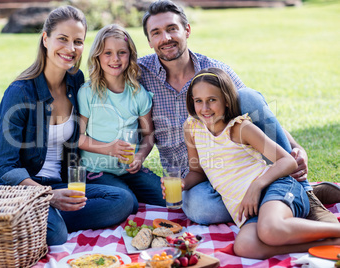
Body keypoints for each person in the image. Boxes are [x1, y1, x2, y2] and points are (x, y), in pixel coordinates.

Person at [138, 0, 339, 225]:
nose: (165, 38)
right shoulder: (140, 73)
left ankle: (303, 194)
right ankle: (283, 197)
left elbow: (256, 111)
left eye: (171, 29)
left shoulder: (214, 70)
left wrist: (296, 148)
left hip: (236, 163)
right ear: (149, 41)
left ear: (187, 30)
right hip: (193, 177)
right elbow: (110, 71)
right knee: (202, 210)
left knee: (246, 95)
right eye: (156, 33)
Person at [0, 6, 134, 246]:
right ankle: (42, 219)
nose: (71, 49)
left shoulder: (76, 81)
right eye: (62, 39)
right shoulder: (20, 93)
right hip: (22, 189)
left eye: (78, 41)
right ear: (45, 39)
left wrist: (111, 148)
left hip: (60, 181)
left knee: (124, 200)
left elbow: (79, 136)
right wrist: (48, 196)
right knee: (56, 234)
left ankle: (37, 221)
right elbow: (3, 167)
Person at [182, 67, 340, 259]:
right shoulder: (191, 128)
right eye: (198, 101)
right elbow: (197, 172)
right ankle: (329, 242)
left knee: (270, 229)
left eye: (212, 100)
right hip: (251, 210)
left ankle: (333, 228)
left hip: (275, 187)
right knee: (245, 247)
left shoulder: (240, 128)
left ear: (226, 100)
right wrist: (182, 184)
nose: (204, 108)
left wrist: (256, 186)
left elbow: (287, 161)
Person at [78, 24, 165, 214]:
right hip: (95, 170)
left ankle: (124, 189)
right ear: (97, 57)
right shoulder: (88, 93)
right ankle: (117, 193)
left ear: (130, 56)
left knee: (168, 197)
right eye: (107, 53)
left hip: (128, 170)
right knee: (128, 204)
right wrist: (108, 148)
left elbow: (149, 135)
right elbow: (77, 137)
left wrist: (140, 157)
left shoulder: (138, 94)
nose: (115, 59)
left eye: (122, 53)